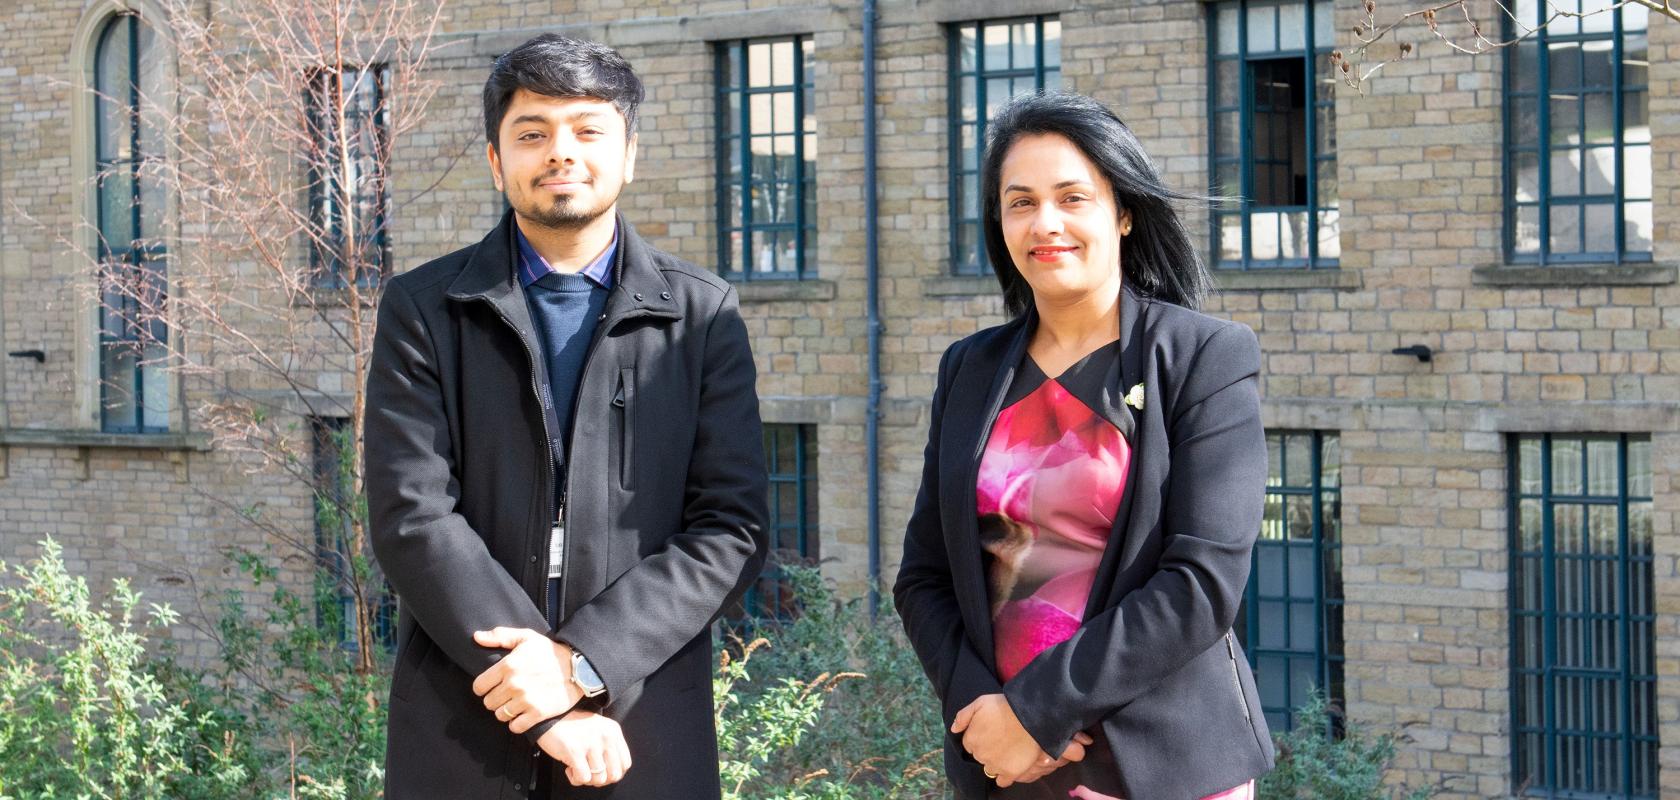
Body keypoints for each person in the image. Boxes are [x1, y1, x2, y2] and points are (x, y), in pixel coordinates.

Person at [365, 34, 767, 799]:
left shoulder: (701, 315)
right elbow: (410, 516)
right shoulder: (422, 309)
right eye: (532, 133)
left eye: (588, 129)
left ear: (629, 153)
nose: (561, 152)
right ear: (495, 160)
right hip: (463, 724)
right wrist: (543, 703)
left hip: (640, 726)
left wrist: (583, 663)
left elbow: (731, 526)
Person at [893, 91, 1274, 800]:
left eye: (1073, 197)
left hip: (1162, 766)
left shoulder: (1203, 357)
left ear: (1124, 212)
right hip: (1003, 763)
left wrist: (1038, 711)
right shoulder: (970, 369)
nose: (1046, 223)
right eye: (1020, 202)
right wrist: (981, 712)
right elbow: (924, 576)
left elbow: (1201, 584)